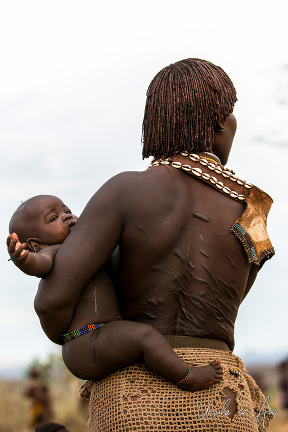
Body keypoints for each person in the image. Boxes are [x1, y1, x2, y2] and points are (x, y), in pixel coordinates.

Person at [24, 58, 276, 431]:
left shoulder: (125, 191)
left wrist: (81, 338)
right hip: (221, 401)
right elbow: (233, 299)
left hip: (131, 399)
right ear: (220, 121)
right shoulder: (254, 208)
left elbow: (53, 301)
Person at [7, 195, 223, 390]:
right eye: (53, 218)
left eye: (66, 210)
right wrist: (22, 259)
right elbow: (39, 264)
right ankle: (187, 377)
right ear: (36, 244)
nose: (66, 216)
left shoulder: (86, 250)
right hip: (87, 340)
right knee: (145, 337)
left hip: (97, 337)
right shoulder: (54, 252)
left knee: (140, 336)